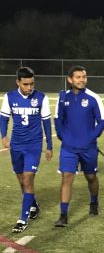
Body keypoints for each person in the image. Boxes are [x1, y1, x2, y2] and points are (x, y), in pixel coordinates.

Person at [0, 66, 52, 233]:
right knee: (22, 182)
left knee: (28, 180)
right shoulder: (9, 97)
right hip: (16, 145)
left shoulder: (41, 98)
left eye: (32, 84)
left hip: (33, 146)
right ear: (18, 82)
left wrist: (49, 146)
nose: (29, 88)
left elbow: (46, 123)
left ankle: (23, 219)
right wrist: (3, 136)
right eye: (26, 84)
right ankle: (34, 204)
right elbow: (3, 119)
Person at [54, 65, 104, 227]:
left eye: (84, 77)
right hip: (68, 147)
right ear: (70, 79)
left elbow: (102, 122)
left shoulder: (93, 97)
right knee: (67, 177)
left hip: (88, 147)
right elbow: (58, 120)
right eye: (78, 77)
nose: (82, 80)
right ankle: (63, 215)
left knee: (90, 177)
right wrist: (63, 137)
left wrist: (90, 138)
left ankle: (93, 201)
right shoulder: (63, 97)